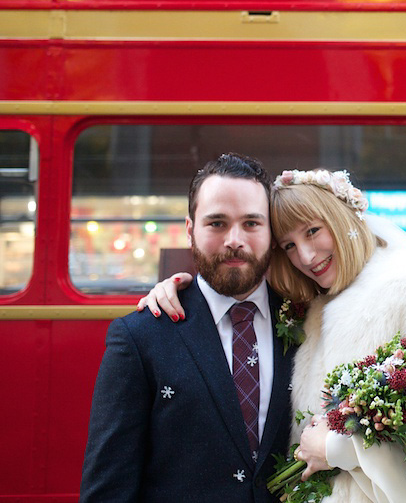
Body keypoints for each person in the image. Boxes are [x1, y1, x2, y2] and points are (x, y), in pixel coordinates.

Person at [142, 168, 406, 503]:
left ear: (342, 218)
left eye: (313, 231)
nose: (305, 256)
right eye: (288, 245)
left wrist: (336, 449)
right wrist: (179, 292)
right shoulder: (311, 305)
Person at [80, 153, 295, 502]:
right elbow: (108, 488)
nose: (234, 240)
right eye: (217, 223)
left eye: (252, 223)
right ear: (190, 229)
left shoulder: (306, 322)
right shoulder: (140, 337)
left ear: (272, 233)